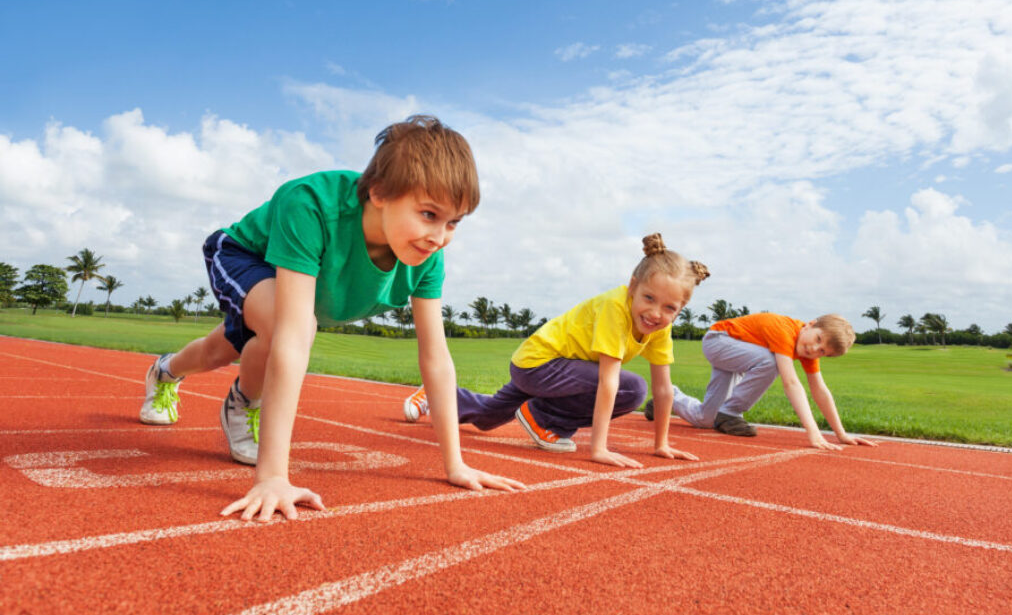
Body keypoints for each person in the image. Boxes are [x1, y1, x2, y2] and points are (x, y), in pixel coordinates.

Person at [139, 115, 525, 522]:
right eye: (429, 214)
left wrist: (455, 465)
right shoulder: (308, 205)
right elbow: (290, 337)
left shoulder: (427, 256)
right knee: (291, 329)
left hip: (294, 295)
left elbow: (436, 358)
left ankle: (165, 371)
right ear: (378, 192)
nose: (440, 236)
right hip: (244, 254)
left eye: (453, 223)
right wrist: (272, 477)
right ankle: (243, 404)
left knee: (219, 350)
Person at [403, 234, 709, 468]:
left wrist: (662, 443)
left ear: (680, 308)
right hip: (539, 365)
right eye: (649, 298)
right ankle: (543, 419)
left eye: (670, 307)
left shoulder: (659, 327)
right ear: (632, 287)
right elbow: (609, 381)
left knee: (487, 417)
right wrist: (598, 449)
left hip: (559, 372)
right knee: (633, 389)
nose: (656, 313)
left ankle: (435, 394)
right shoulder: (616, 308)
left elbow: (665, 389)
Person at [649, 312, 877, 450]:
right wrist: (813, 431)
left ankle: (665, 399)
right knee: (770, 362)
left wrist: (841, 434)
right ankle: (730, 412)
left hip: (738, 353)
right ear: (810, 324)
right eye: (818, 339)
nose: (814, 349)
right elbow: (791, 383)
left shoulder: (807, 350)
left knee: (706, 419)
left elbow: (819, 389)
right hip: (719, 341)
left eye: (823, 352)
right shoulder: (784, 330)